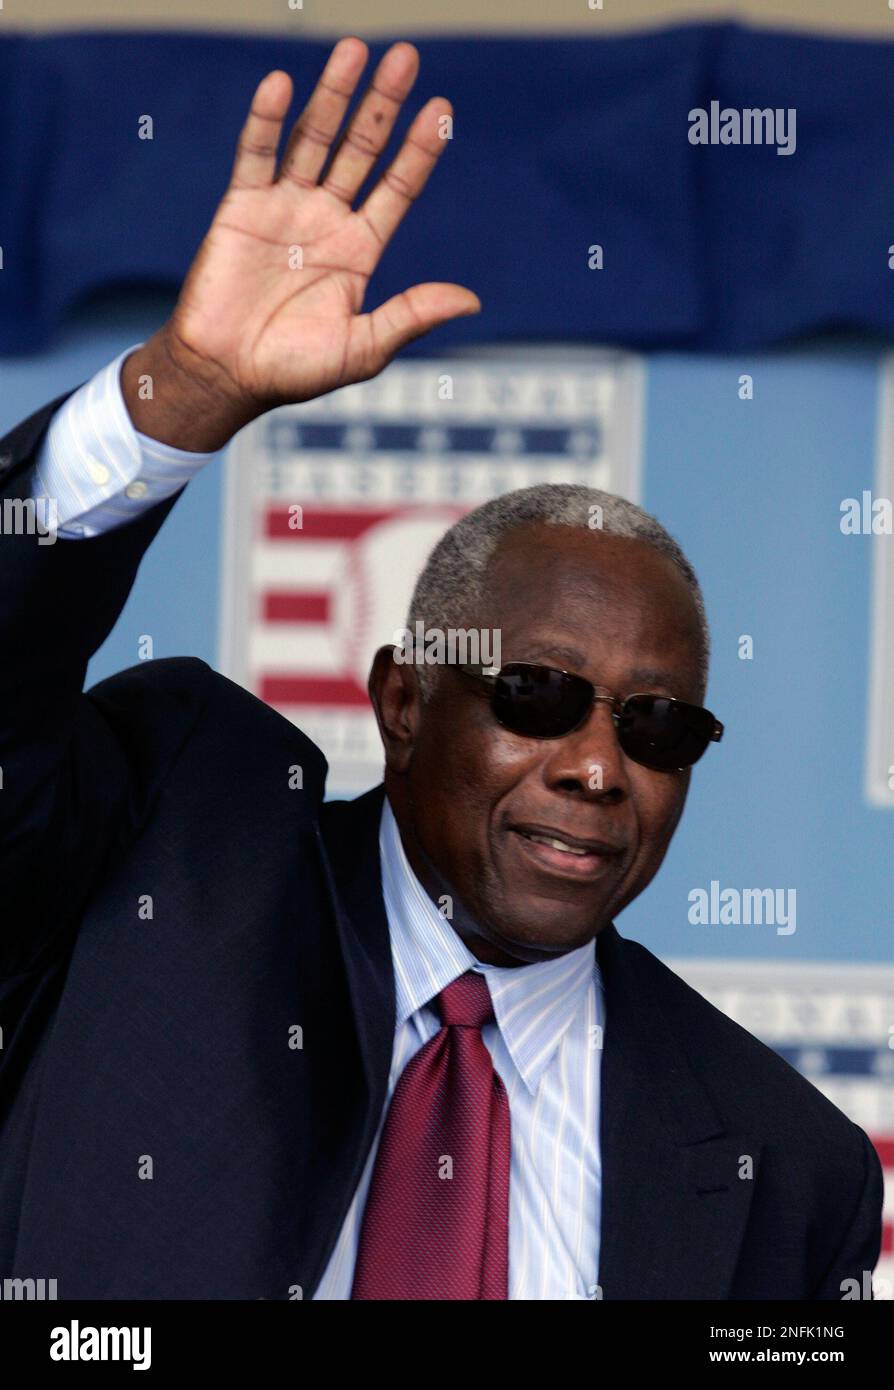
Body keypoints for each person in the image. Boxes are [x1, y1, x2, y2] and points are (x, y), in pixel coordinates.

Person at [0, 36, 882, 1301]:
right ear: (403, 702)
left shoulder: (783, 1171)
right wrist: (178, 394)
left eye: (657, 727)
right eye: (539, 696)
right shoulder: (162, 851)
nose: (597, 769)